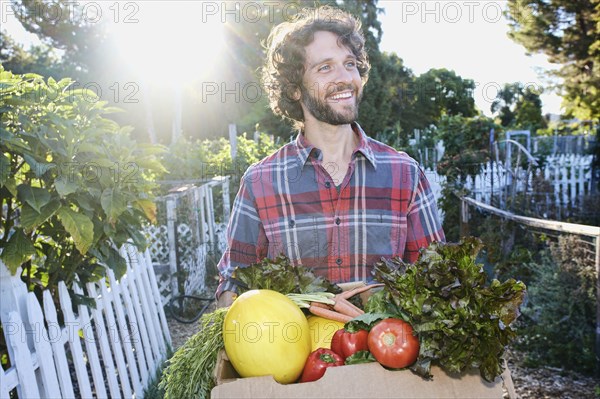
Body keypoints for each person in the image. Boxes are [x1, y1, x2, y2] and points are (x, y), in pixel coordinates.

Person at [216, 6, 445, 307]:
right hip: (293, 351)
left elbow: (437, 279)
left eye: (350, 64)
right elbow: (235, 282)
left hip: (385, 353)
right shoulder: (260, 183)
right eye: (325, 67)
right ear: (294, 89)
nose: (345, 78)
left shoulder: (405, 174)